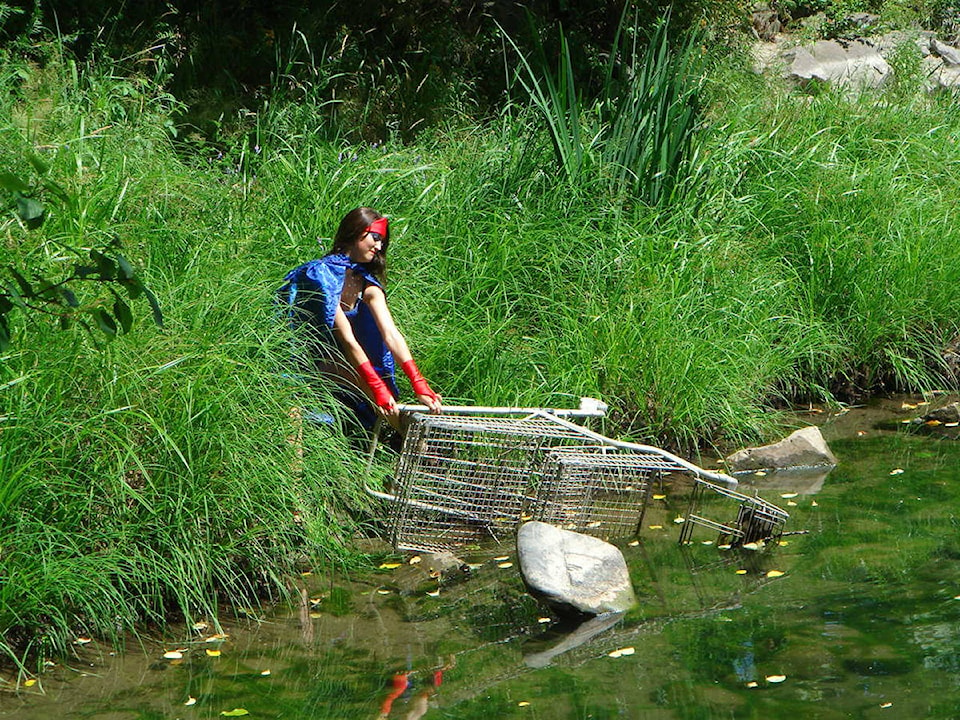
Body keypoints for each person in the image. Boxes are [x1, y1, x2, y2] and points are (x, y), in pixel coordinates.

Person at [280, 207, 442, 433]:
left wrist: (419, 382)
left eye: (382, 242)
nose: (379, 247)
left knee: (379, 385)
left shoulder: (366, 283)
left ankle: (405, 439)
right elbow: (346, 339)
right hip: (308, 360)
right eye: (375, 238)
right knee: (368, 383)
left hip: (345, 361)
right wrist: (376, 388)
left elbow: (391, 334)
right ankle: (407, 440)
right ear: (356, 232)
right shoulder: (322, 275)